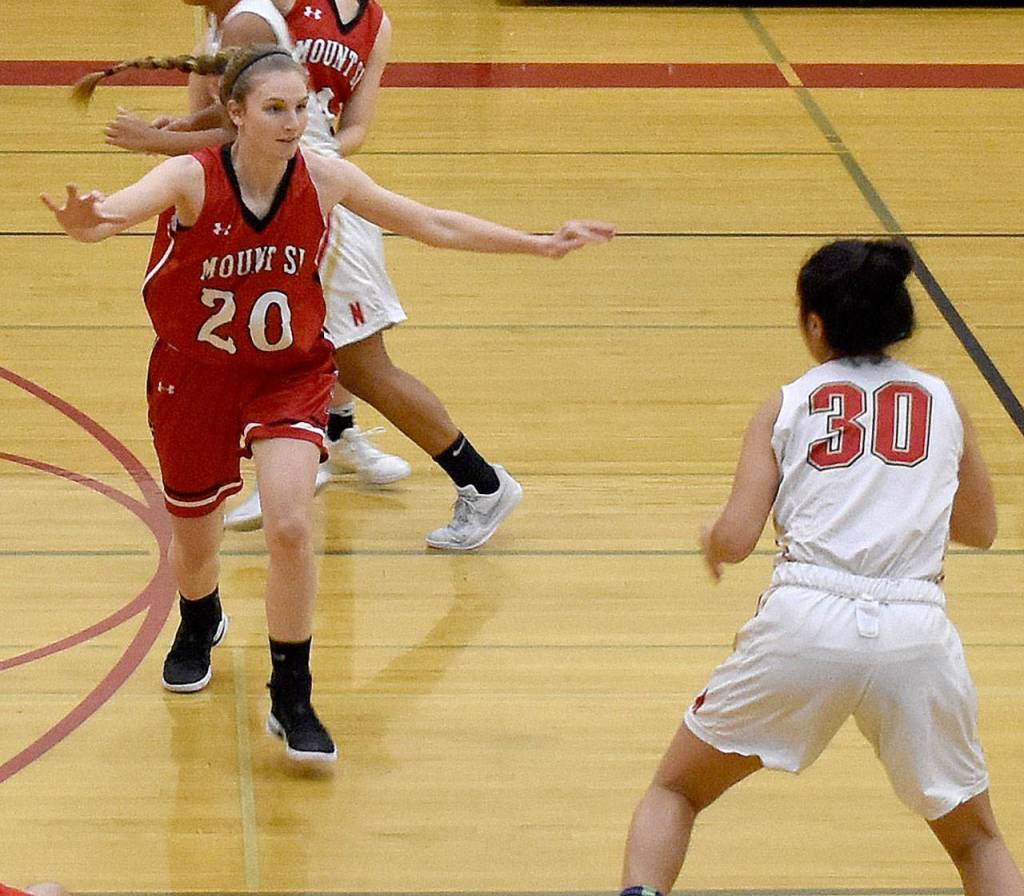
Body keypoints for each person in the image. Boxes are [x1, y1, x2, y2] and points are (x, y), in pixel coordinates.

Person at [47, 46, 612, 762]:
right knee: (197, 540)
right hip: (196, 377)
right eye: (275, 109)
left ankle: (292, 694)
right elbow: (111, 217)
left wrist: (538, 245)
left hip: (289, 373)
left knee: (289, 524)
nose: (292, 122)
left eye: (301, 107)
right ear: (236, 115)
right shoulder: (189, 177)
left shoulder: (324, 175)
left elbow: (430, 222)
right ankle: (200, 617)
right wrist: (83, 220)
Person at [618, 238, 1023, 896]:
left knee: (675, 793)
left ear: (815, 324)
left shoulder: (789, 403)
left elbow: (739, 534)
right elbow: (981, 528)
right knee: (977, 842)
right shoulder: (943, 402)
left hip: (805, 621)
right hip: (915, 633)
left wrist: (714, 543)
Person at [101, 0, 534, 551]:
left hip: (314, 203)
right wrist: (184, 126)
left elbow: (246, 137)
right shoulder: (225, 24)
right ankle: (330, 437)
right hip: (283, 192)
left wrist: (157, 142)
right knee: (294, 335)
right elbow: (230, 123)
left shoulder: (249, 21)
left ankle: (482, 482)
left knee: (362, 363)